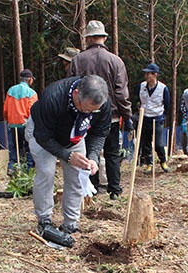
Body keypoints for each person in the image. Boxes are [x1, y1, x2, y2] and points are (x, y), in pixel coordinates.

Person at [27, 75, 111, 246]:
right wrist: (67, 156)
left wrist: (93, 157)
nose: (88, 113)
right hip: (42, 134)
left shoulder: (101, 104)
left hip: (74, 136)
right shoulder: (53, 97)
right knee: (46, 172)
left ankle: (70, 223)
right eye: (85, 108)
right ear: (76, 94)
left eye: (92, 111)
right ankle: (44, 221)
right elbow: (43, 136)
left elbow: (99, 132)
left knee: (77, 175)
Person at [69, 20, 132, 200]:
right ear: (104, 38)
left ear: (88, 39)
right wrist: (126, 115)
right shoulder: (115, 61)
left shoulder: (78, 60)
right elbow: (121, 92)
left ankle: (92, 190)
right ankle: (114, 191)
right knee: (112, 154)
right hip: (110, 116)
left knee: (89, 152)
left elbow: (71, 87)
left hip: (84, 115)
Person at [3, 69, 38, 173]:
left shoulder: (10, 90)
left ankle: (12, 167)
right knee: (28, 148)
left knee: (14, 147)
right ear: (30, 80)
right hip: (26, 124)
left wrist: (9, 120)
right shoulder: (32, 93)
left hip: (13, 124)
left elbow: (5, 109)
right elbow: (33, 111)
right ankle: (28, 169)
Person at [138, 63, 170, 173]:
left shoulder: (163, 88)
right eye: (145, 74)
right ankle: (149, 163)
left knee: (159, 144)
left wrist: (163, 115)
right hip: (145, 117)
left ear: (155, 75)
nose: (146, 76)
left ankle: (163, 161)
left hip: (157, 118)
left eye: (149, 74)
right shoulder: (142, 86)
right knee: (146, 142)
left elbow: (167, 104)